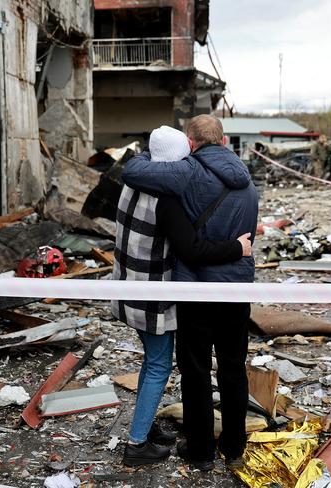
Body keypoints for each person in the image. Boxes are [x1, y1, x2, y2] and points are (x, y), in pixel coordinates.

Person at [121, 115, 258, 471]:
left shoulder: (188, 173)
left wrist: (142, 156)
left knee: (195, 371)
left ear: (192, 144)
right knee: (233, 369)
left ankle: (200, 451)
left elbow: (133, 172)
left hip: (196, 288)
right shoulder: (248, 181)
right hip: (236, 290)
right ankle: (234, 447)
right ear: (225, 141)